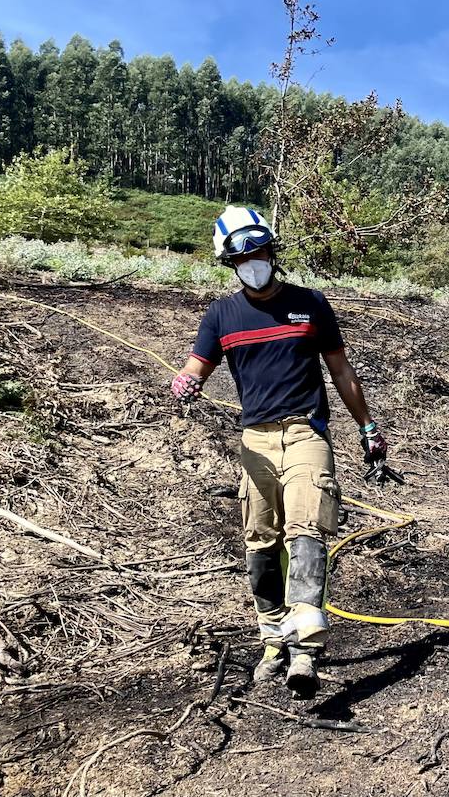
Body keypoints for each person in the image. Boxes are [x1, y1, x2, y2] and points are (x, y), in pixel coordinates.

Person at [171, 205, 389, 698]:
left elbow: (341, 372)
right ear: (230, 263)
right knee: (260, 540)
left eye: (259, 251)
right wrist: (184, 383)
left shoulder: (310, 304)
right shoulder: (222, 314)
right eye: (241, 256)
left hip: (306, 432)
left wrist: (367, 425)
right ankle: (274, 639)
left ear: (272, 251)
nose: (253, 261)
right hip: (256, 440)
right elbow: (196, 367)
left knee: (308, 523)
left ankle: (306, 645)